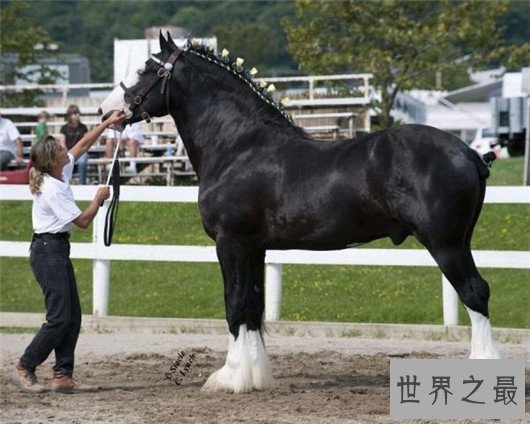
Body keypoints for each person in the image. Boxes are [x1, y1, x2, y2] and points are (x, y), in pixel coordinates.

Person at [11, 110, 125, 394]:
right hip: (48, 251)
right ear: (53, 160)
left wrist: (108, 124)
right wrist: (98, 200)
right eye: (62, 149)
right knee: (60, 316)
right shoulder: (53, 189)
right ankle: (25, 367)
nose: (67, 148)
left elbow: (84, 143)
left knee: (72, 316)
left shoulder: (59, 171)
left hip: (55, 249)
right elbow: (84, 222)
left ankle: (63, 375)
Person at [59, 105, 89, 184]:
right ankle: (65, 184)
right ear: (70, 115)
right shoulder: (64, 128)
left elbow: (87, 141)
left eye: (78, 113)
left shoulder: (83, 127)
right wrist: (67, 153)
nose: (78, 115)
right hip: (69, 152)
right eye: (75, 113)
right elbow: (62, 144)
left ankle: (82, 185)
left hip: (81, 152)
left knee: (82, 162)